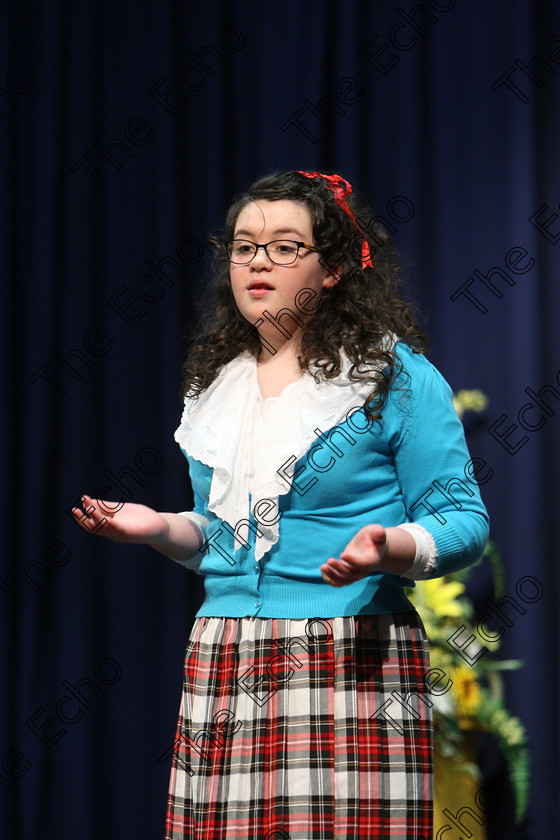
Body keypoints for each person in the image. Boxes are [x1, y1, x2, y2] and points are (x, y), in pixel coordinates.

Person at [73, 170, 489, 840]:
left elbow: (463, 521)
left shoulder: (392, 377)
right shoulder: (217, 387)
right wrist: (159, 528)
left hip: (350, 654)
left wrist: (389, 546)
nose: (258, 260)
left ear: (331, 270)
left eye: (285, 246)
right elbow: (227, 540)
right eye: (244, 246)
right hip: (226, 655)